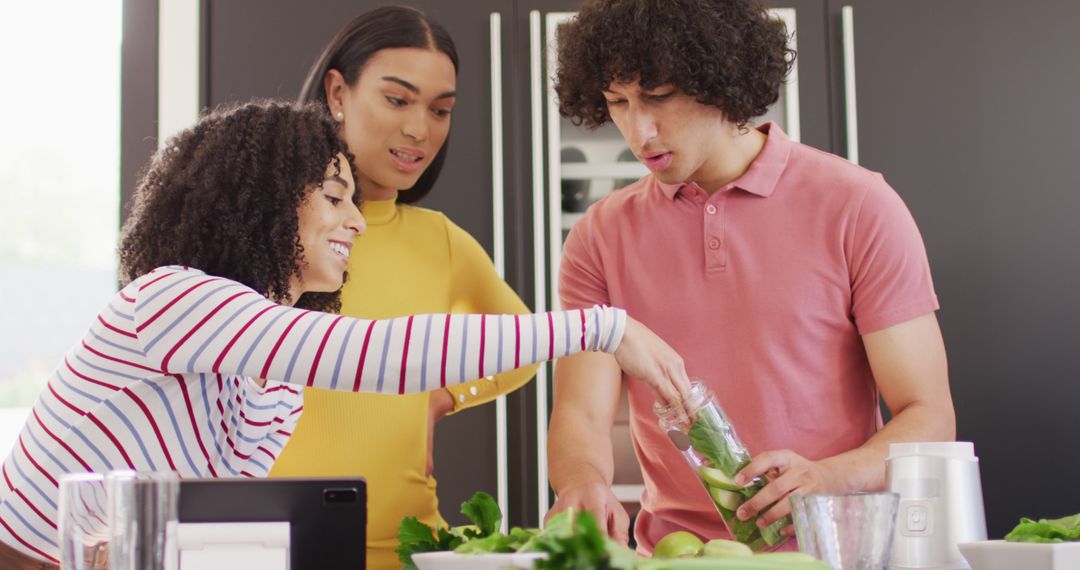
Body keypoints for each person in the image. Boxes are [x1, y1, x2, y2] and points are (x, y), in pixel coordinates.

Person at [0, 101, 690, 569]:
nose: (356, 223)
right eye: (334, 197)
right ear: (261, 202)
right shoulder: (173, 298)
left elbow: (201, 528)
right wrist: (605, 326)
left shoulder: (273, 388)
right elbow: (381, 356)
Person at [545, 0, 956, 554]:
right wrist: (582, 482)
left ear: (719, 79)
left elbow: (928, 416)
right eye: (617, 102)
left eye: (658, 96)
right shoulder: (599, 236)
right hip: (677, 557)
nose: (637, 129)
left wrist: (831, 476)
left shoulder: (858, 205)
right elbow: (580, 412)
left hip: (831, 553)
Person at [264, 7, 540, 567]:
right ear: (338, 91)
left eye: (441, 110)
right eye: (398, 100)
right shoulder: (262, 230)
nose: (421, 129)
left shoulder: (439, 241)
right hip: (274, 549)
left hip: (412, 551)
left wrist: (443, 397)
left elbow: (528, 346)